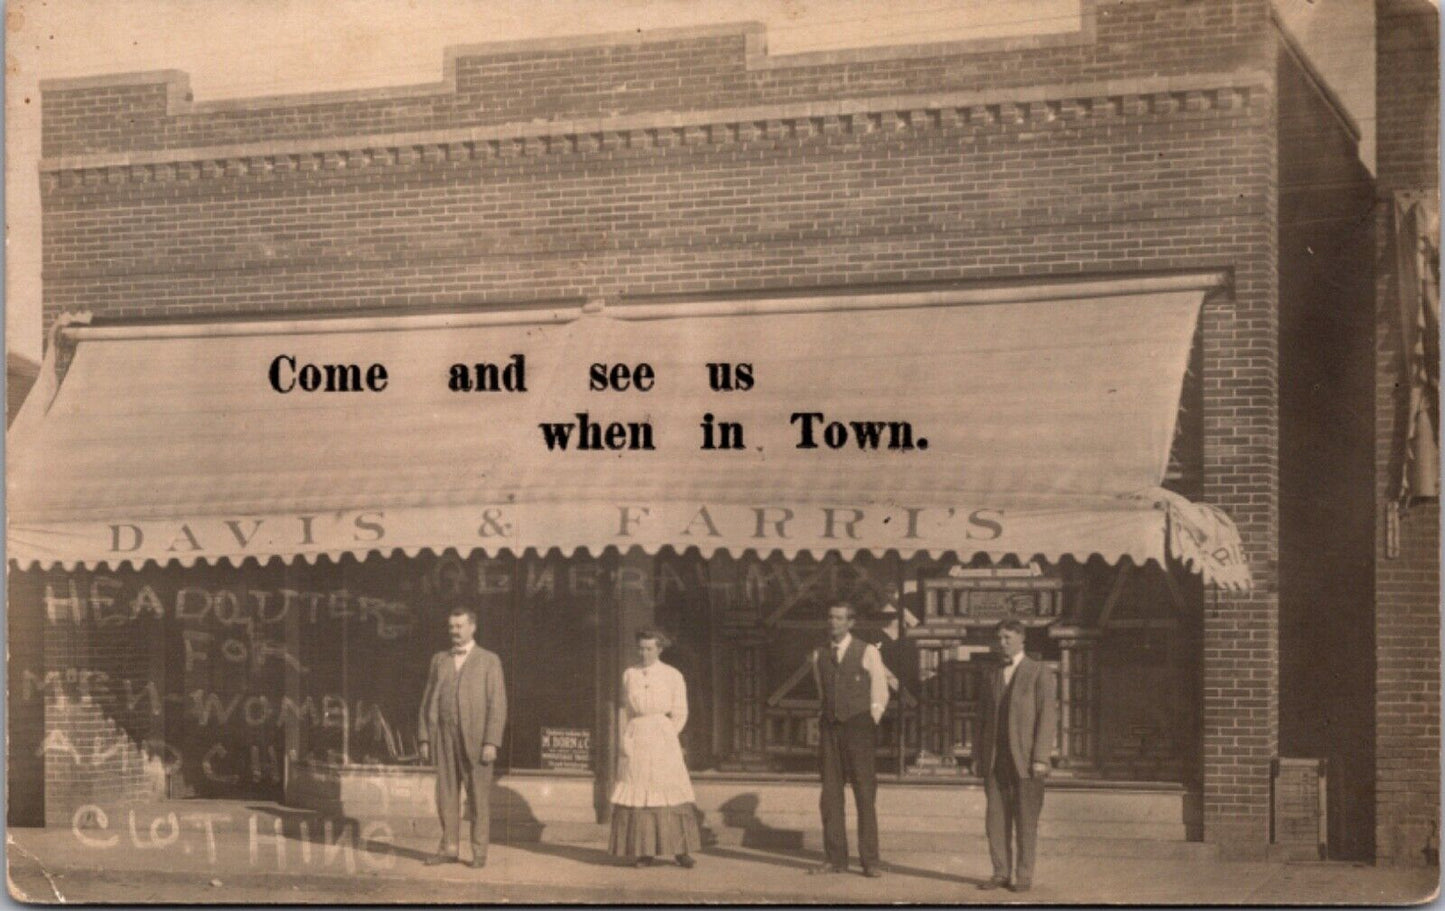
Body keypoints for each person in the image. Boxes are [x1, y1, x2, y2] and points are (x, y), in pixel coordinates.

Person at [417, 606, 508, 870]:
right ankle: (449, 849)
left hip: (477, 740)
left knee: (478, 798)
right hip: (444, 737)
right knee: (445, 795)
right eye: (451, 627)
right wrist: (424, 737)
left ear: (472, 627)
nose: (454, 632)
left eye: (459, 626)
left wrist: (492, 741)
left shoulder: (489, 660)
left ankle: (479, 853)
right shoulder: (440, 660)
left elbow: (498, 703)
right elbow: (427, 700)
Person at [975, 618, 1057, 894]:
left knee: (1025, 821)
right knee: (995, 821)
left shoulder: (1038, 671)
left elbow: (1047, 717)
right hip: (997, 760)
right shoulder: (992, 674)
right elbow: (983, 719)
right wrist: (979, 755)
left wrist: (1041, 757)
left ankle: (1023, 876)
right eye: (999, 638)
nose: (1002, 643)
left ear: (1022, 639)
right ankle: (1000, 872)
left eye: (1008, 638)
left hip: (1026, 760)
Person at [809, 602, 890, 878]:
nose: (833, 623)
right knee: (830, 797)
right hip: (830, 730)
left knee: (864, 795)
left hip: (859, 729)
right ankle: (835, 859)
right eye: (830, 617)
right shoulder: (819, 654)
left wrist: (869, 719)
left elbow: (880, 690)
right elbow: (822, 691)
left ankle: (870, 861)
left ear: (851, 623)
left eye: (840, 618)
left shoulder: (867, 651)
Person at [609, 629, 702, 868]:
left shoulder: (672, 675)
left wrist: (668, 734)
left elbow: (681, 711)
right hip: (637, 736)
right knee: (640, 790)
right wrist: (626, 739)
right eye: (641, 648)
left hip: (663, 737)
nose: (644, 653)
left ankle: (681, 851)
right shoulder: (629, 674)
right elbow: (626, 710)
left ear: (660, 649)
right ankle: (645, 851)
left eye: (649, 648)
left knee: (668, 791)